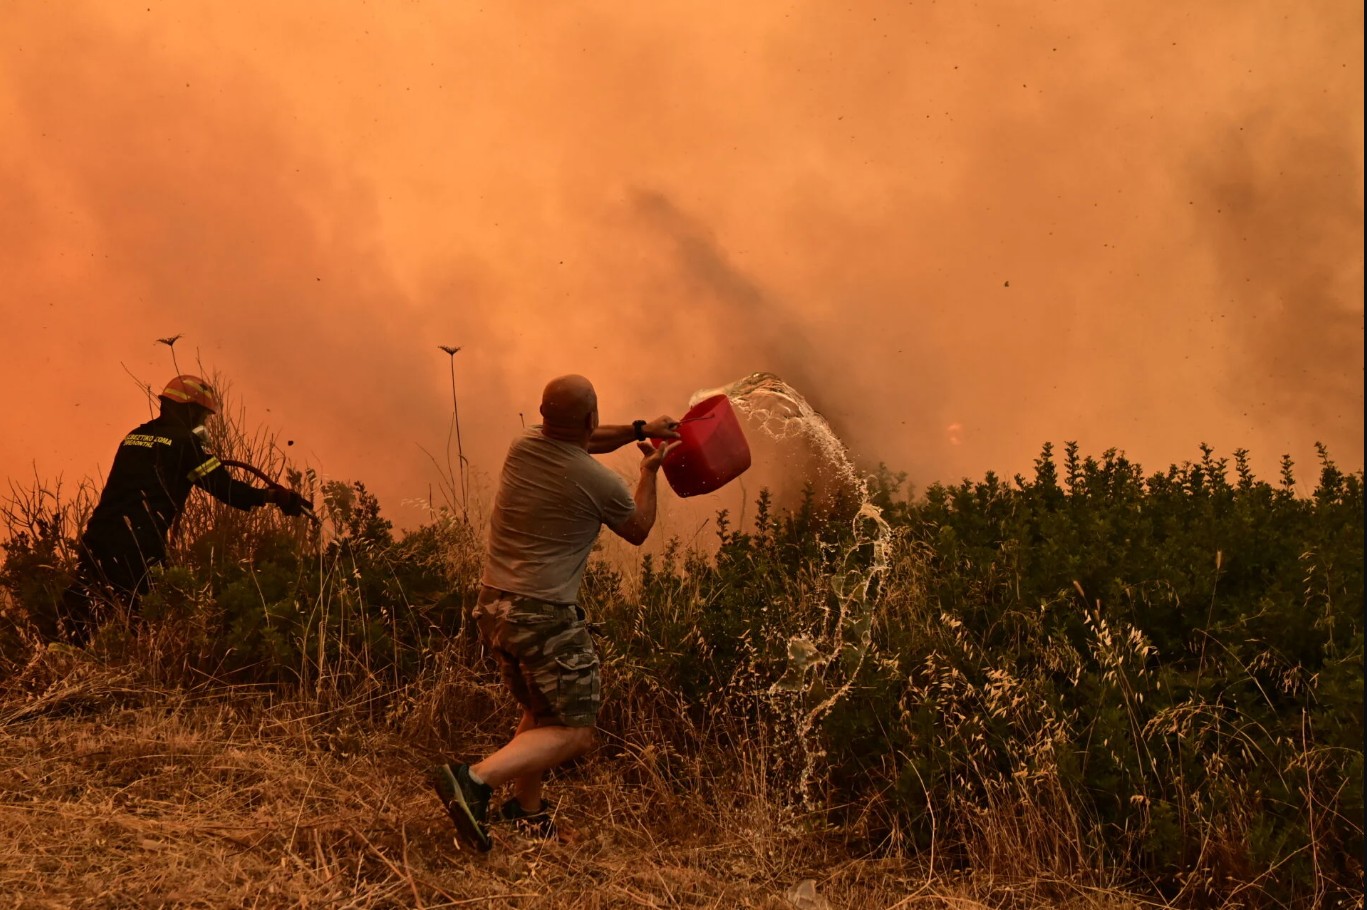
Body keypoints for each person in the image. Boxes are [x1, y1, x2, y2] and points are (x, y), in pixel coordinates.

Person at [430, 374, 681, 851]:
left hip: (494, 607)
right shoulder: (599, 480)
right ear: (590, 418)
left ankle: (528, 813)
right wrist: (649, 473)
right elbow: (638, 528)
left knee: (539, 711)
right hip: (541, 614)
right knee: (574, 731)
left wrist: (638, 428)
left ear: (544, 416)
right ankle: (474, 780)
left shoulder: (524, 444)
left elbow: (584, 439)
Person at [48, 374, 310, 645]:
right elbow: (226, 489)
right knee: (145, 618)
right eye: (202, 417)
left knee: (81, 609)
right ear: (189, 411)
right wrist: (275, 497)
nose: (204, 424)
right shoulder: (186, 444)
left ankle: (54, 662)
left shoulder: (135, 437)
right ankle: (139, 674)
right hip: (140, 543)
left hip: (99, 535)